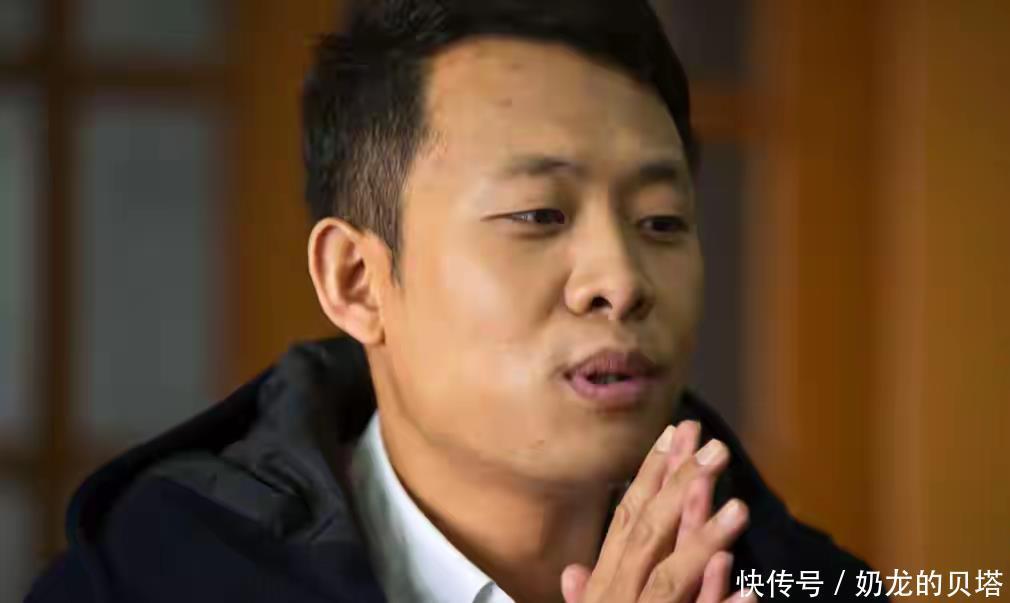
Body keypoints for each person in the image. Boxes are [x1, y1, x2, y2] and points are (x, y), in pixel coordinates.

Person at [25, 1, 887, 602]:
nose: (621, 280)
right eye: (539, 214)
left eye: (661, 221)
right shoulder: (150, 579)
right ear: (357, 280)